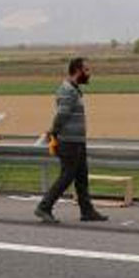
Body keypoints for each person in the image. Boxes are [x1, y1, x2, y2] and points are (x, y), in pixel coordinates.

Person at [35, 57, 108, 224]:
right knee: (67, 176)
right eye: (87, 70)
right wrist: (53, 132)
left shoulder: (74, 90)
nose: (89, 74)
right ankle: (44, 207)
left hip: (77, 141)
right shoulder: (68, 90)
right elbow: (62, 115)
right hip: (69, 142)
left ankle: (87, 211)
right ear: (77, 71)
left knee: (81, 176)